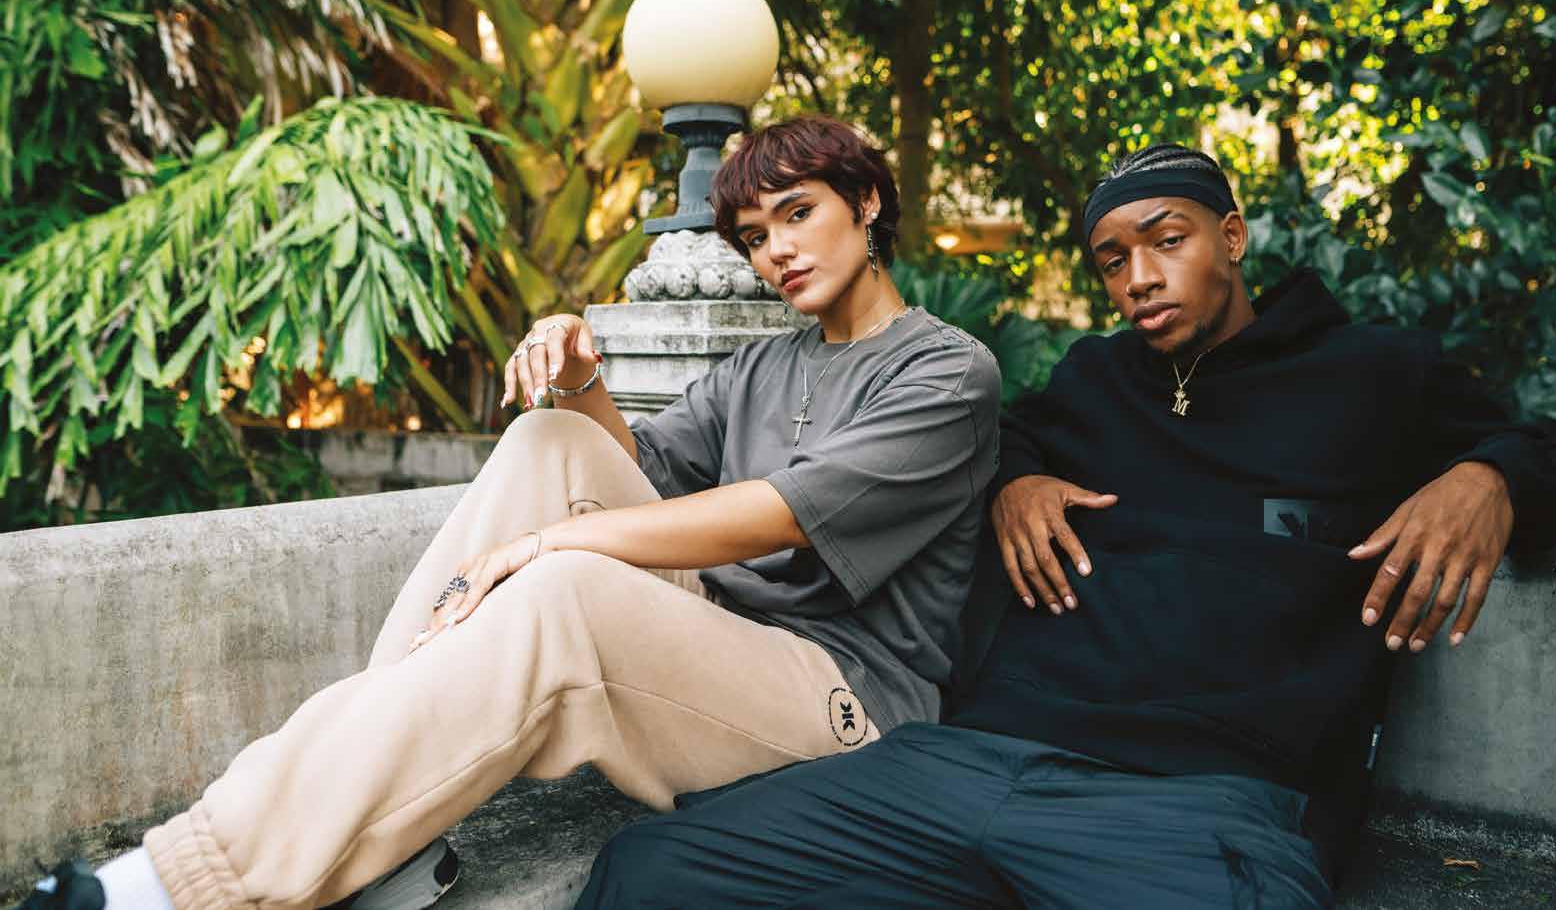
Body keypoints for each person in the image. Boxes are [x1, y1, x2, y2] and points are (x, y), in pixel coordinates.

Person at [575, 142, 1556, 908]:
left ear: (1231, 236)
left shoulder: (1373, 372)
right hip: (964, 762)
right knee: (651, 869)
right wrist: (1016, 482)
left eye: (1166, 240)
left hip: (1204, 796)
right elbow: (993, 439)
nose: (1138, 277)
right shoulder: (1091, 381)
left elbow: (1555, 466)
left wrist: (1486, 478)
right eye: (1111, 260)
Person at [17, 116, 1001, 910]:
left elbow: (779, 515)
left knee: (563, 587)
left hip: (843, 702)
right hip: (716, 645)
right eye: (753, 237)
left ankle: (175, 885)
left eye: (797, 213)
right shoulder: (762, 365)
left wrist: (547, 544)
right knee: (547, 439)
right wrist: (579, 375)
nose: (776, 250)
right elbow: (636, 473)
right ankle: (382, 800)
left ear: (866, 203)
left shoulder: (947, 372)